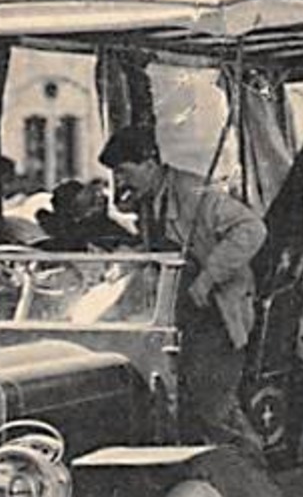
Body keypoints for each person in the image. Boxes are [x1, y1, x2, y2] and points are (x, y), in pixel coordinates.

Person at [100, 125, 266, 450]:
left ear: (149, 162)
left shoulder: (195, 193)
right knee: (180, 410)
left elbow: (252, 229)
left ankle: (255, 477)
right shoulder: (149, 199)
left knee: (213, 409)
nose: (119, 181)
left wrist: (208, 279)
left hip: (217, 315)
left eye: (123, 171)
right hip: (179, 316)